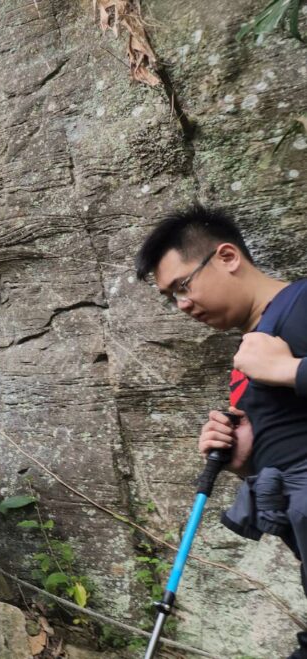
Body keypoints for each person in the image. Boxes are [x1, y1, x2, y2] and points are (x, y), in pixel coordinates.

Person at [135, 204, 307, 659]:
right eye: (171, 297)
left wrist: (290, 370)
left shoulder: (302, 304)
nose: (182, 305)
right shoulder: (255, 342)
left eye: (183, 286)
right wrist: (247, 459)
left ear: (228, 257)